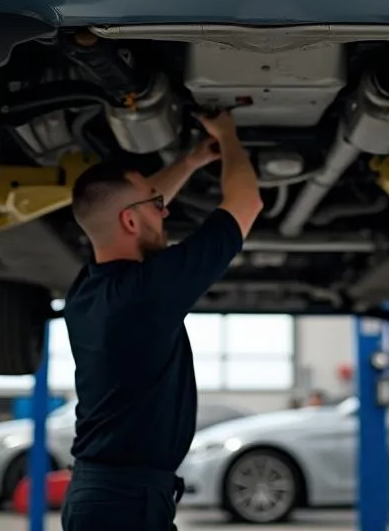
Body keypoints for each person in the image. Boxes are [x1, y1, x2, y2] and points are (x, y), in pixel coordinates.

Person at [62, 110, 263, 530]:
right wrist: (228, 136)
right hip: (122, 503)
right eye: (158, 206)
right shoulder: (143, 291)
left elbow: (130, 211)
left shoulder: (90, 289)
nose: (165, 212)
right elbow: (247, 203)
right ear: (131, 221)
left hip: (113, 497)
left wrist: (190, 162)